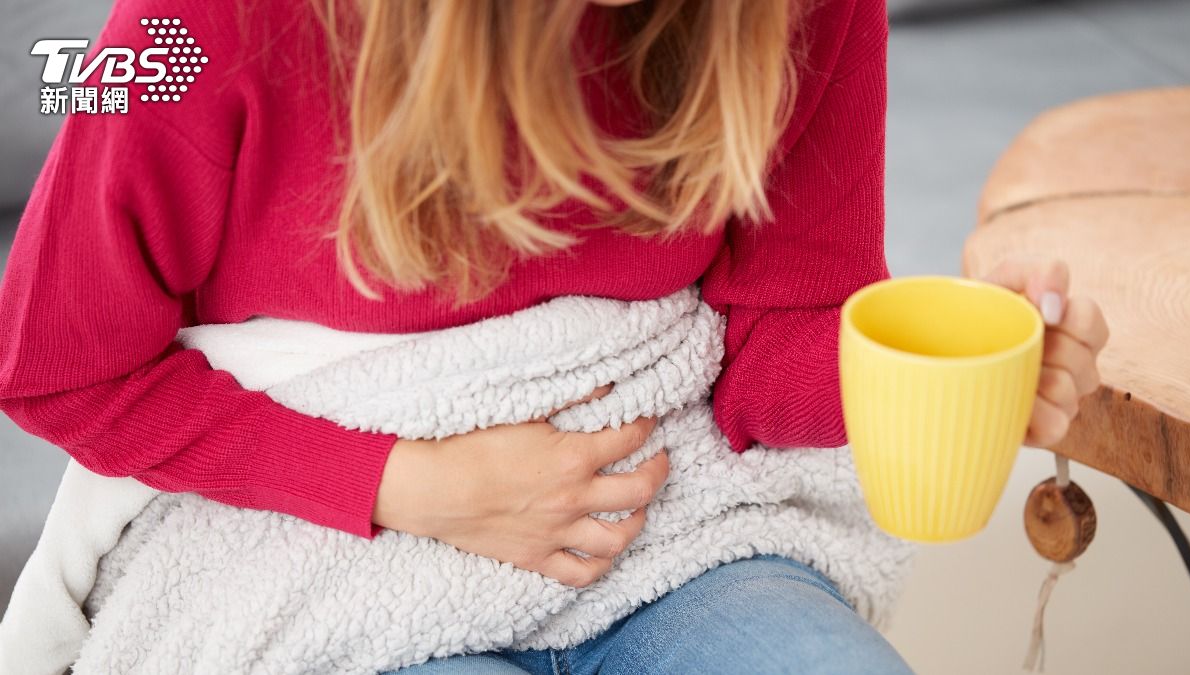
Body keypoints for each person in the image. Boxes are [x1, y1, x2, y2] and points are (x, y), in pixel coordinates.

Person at [0, 0, 1109, 672]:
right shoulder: (184, 33)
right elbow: (46, 362)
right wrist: (407, 482)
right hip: (315, 555)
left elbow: (767, 353)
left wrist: (932, 372)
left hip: (681, 536)